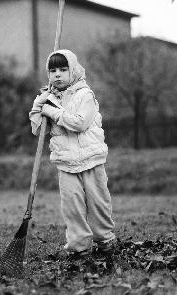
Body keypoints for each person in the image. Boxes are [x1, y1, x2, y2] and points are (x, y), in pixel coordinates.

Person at [29, 49, 116, 260]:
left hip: (91, 160)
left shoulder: (85, 95)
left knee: (98, 203)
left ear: (74, 71)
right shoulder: (48, 98)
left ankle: (105, 241)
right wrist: (39, 105)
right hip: (66, 162)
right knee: (72, 207)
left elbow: (79, 122)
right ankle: (79, 247)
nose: (57, 74)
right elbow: (39, 131)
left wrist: (52, 111)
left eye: (63, 69)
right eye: (52, 70)